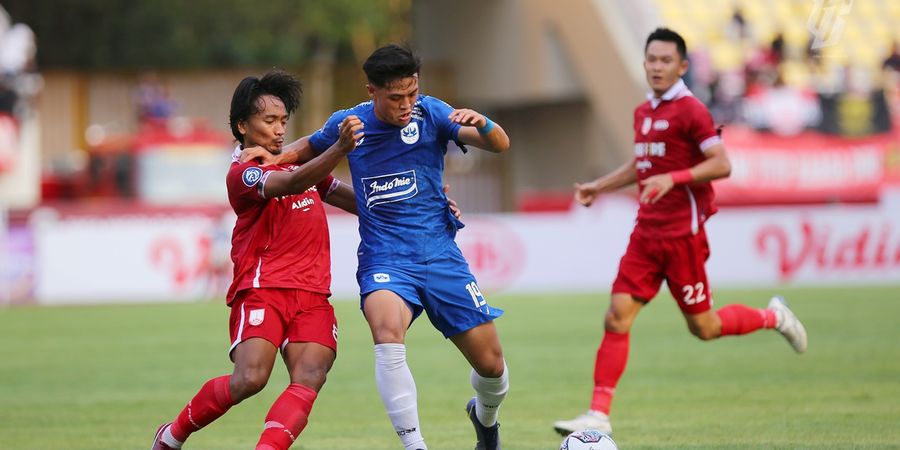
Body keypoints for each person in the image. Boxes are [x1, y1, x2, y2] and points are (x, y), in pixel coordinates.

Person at [242, 44, 511, 450]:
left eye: (412, 93)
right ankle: (414, 445)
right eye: (396, 97)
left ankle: (485, 418)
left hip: (440, 255)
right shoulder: (348, 124)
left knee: (492, 367)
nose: (406, 105)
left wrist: (485, 123)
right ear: (372, 91)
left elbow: (499, 144)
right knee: (386, 332)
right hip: (384, 259)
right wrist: (271, 156)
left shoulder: (432, 112)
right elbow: (306, 148)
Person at [553, 28, 808, 437]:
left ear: (682, 66)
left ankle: (773, 316)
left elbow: (722, 164)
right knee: (617, 316)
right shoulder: (644, 112)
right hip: (646, 235)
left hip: (682, 238)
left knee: (704, 328)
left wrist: (676, 179)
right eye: (651, 59)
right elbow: (643, 167)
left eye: (665, 60)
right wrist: (599, 186)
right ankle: (598, 413)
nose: (657, 66)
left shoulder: (691, 111)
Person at [151, 70, 364, 450]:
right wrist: (339, 149)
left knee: (311, 374)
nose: (279, 129)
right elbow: (292, 184)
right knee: (250, 378)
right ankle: (172, 434)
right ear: (242, 126)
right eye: (269, 121)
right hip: (264, 288)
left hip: (313, 291)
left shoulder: (294, 161)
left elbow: (348, 198)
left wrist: (417, 206)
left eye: (283, 121)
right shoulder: (243, 172)